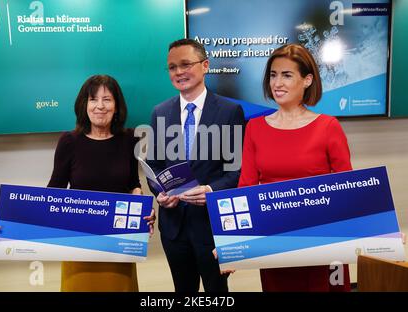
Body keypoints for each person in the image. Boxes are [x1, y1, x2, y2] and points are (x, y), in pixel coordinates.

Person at [0, 74, 155, 292]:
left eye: (107, 99)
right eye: (93, 99)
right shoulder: (69, 141)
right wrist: (9, 226)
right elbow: (52, 195)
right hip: (78, 246)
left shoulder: (129, 139)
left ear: (117, 105)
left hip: (118, 245)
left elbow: (133, 184)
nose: (100, 106)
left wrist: (142, 209)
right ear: (84, 105)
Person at [238, 43, 353, 292]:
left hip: (325, 245)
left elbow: (349, 191)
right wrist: (233, 245)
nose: (277, 83)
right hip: (276, 246)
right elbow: (245, 189)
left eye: (287, 75)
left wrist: (381, 235)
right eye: (273, 75)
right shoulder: (255, 128)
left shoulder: (328, 126)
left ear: (307, 80)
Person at [146, 38, 246, 292]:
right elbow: (153, 166)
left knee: (217, 293)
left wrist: (211, 191)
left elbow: (238, 170)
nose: (179, 72)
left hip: (212, 226)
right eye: (172, 67)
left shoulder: (229, 111)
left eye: (185, 64)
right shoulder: (160, 112)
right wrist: (160, 193)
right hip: (174, 227)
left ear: (205, 66)